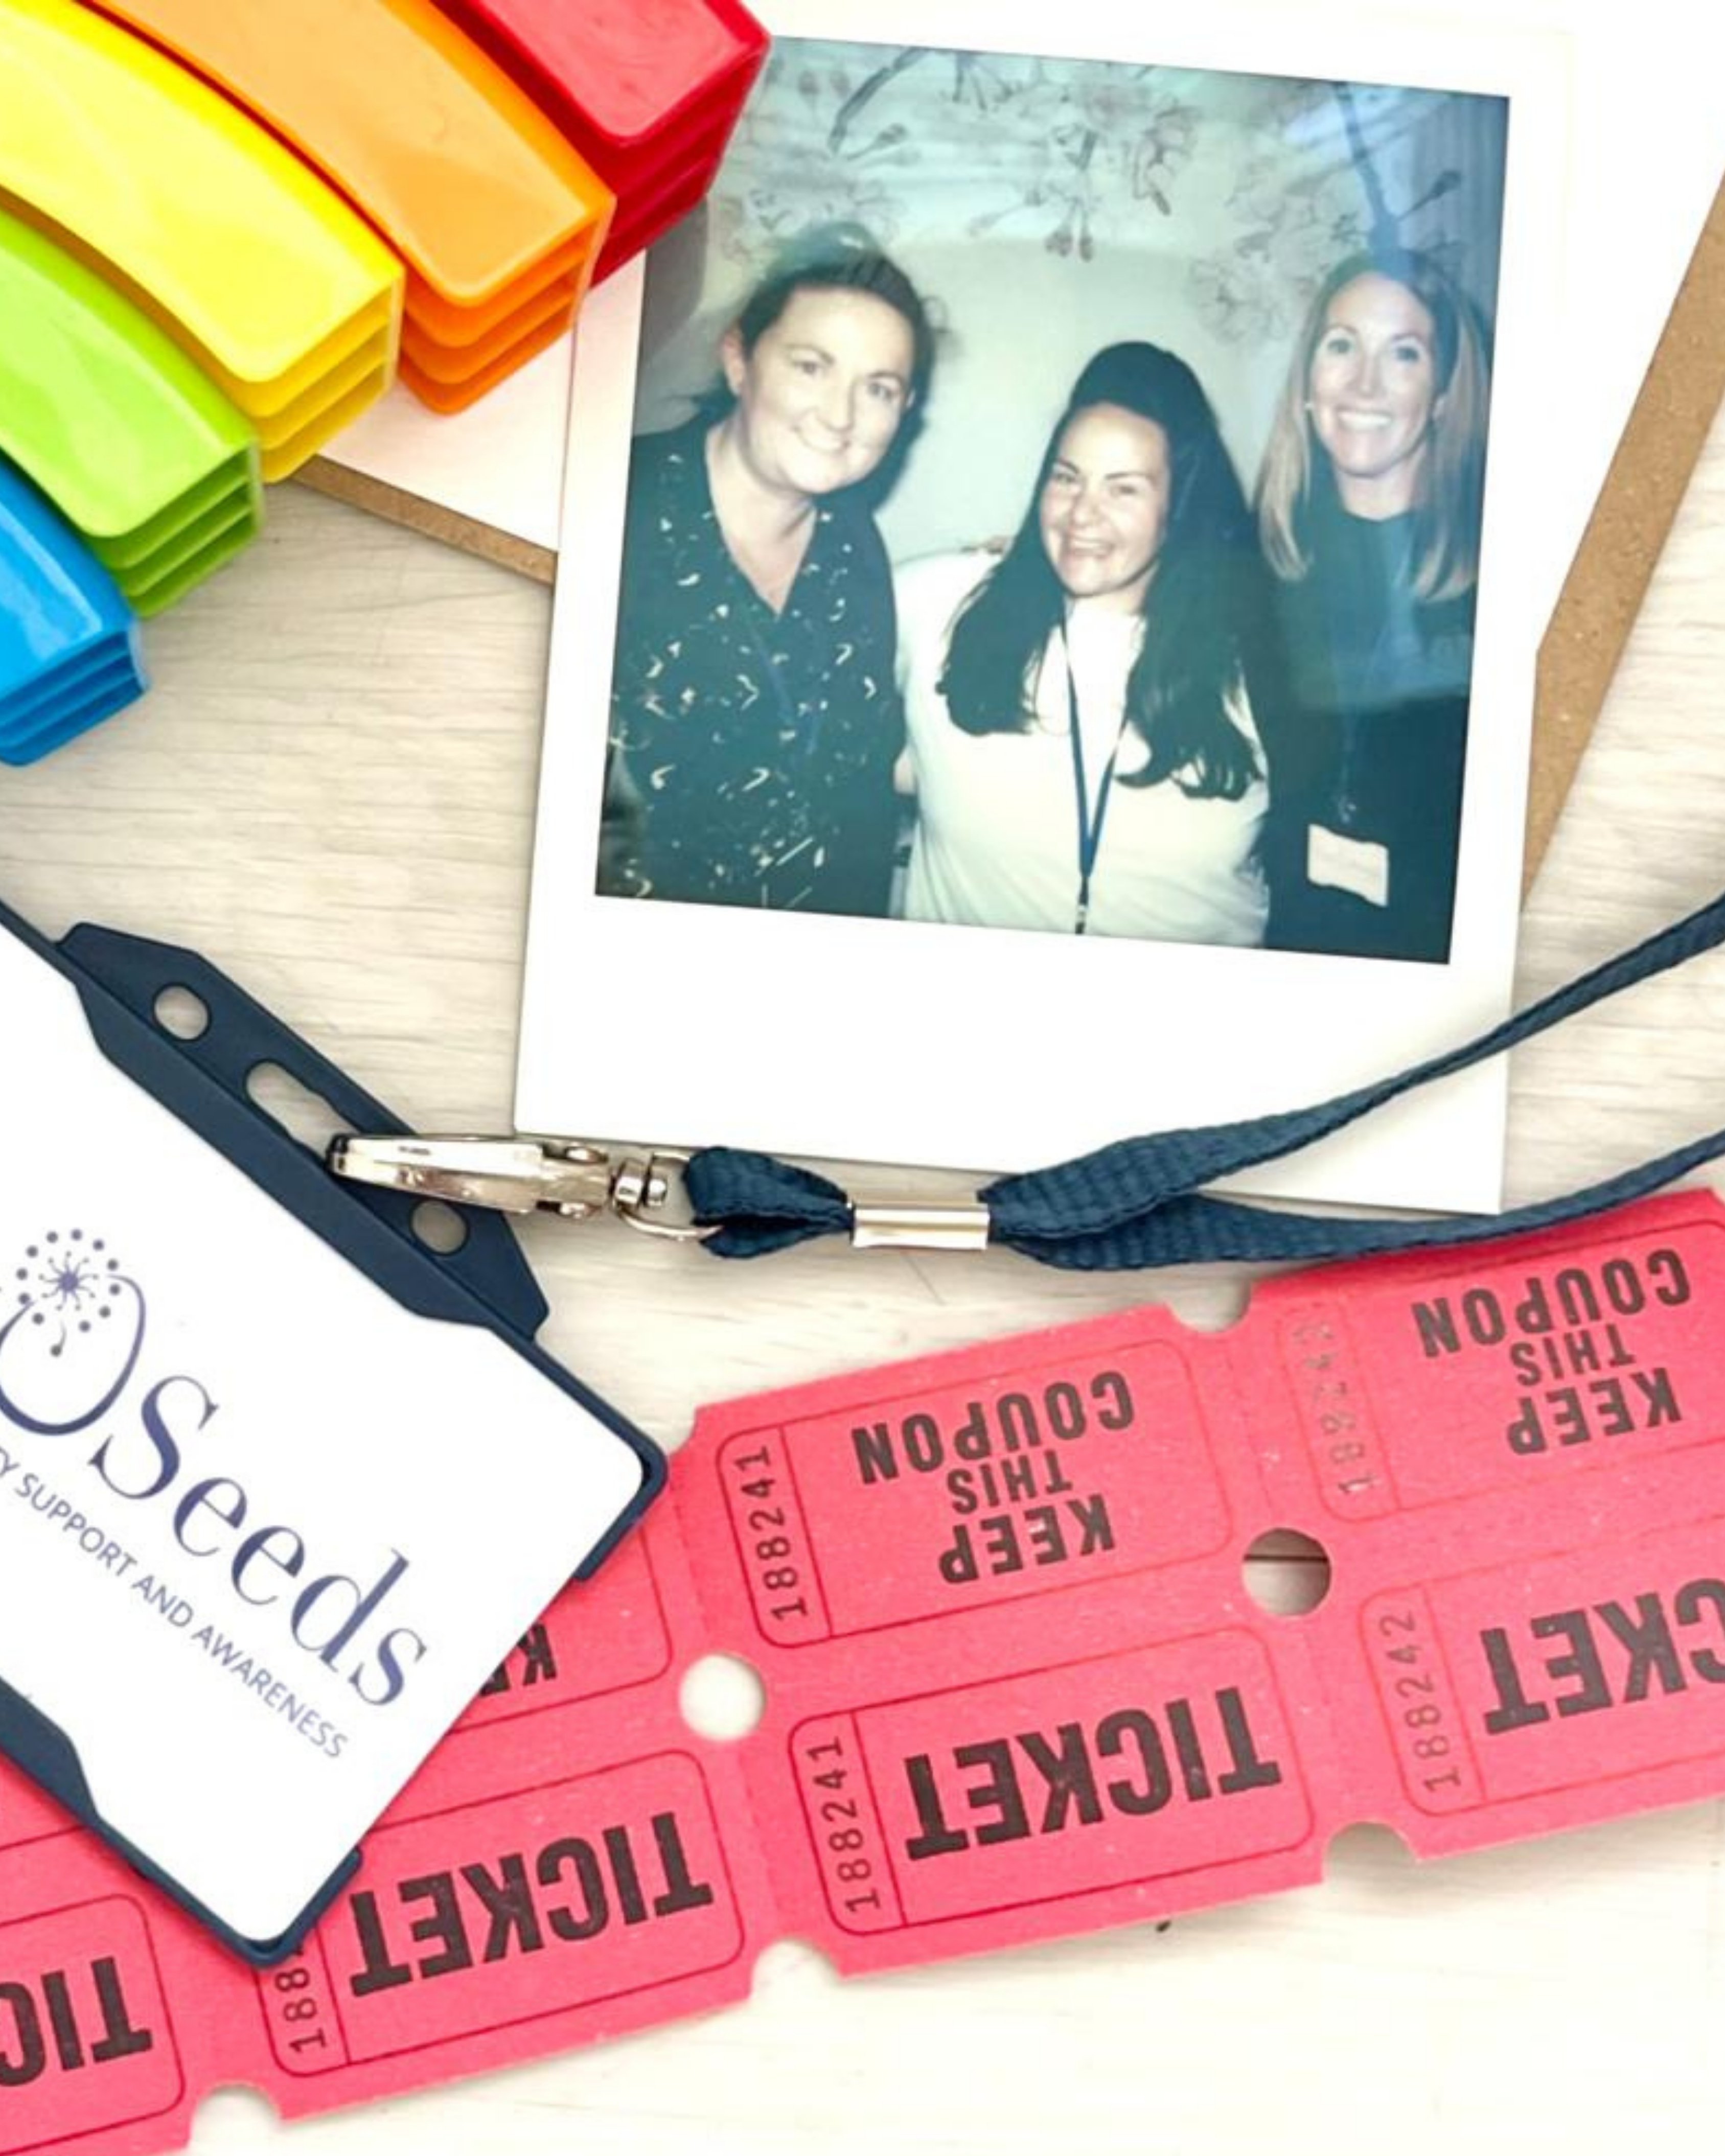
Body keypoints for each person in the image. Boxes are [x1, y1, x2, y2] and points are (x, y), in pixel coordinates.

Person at [600, 224, 935, 916]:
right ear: (739, 360)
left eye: (876, 388)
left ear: (902, 411)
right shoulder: (613, 503)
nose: (839, 416)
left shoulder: (855, 548)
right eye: (811, 366)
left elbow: (865, 765)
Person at [896, 341, 1269, 944]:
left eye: (1123, 489)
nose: (1082, 516)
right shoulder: (936, 602)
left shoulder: (1258, 652)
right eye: (1067, 479)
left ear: (1179, 505)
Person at [1254, 246, 1492, 962]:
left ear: (1445, 393)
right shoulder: (1259, 569)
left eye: (1403, 355)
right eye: (1340, 346)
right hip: (1287, 946)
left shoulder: (1502, 590)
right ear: (1305, 382)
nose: (1363, 383)